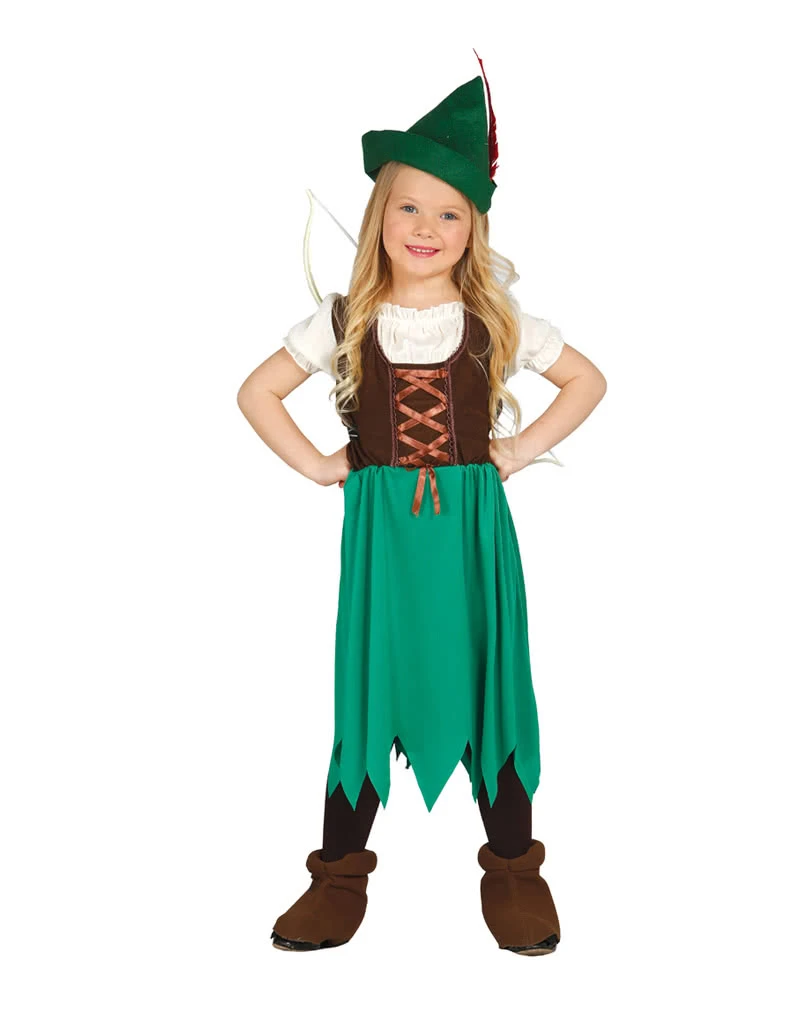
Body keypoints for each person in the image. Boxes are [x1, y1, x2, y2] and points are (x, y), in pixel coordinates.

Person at [237, 57, 607, 956]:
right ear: (380, 216)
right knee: (371, 684)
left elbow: (586, 381)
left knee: (489, 681)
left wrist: (514, 450)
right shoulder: (345, 321)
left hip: (473, 534)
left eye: (450, 213)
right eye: (409, 207)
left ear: (474, 228)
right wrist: (322, 467)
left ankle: (514, 867)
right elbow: (256, 393)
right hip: (383, 539)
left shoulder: (496, 317)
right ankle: (338, 875)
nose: (427, 228)